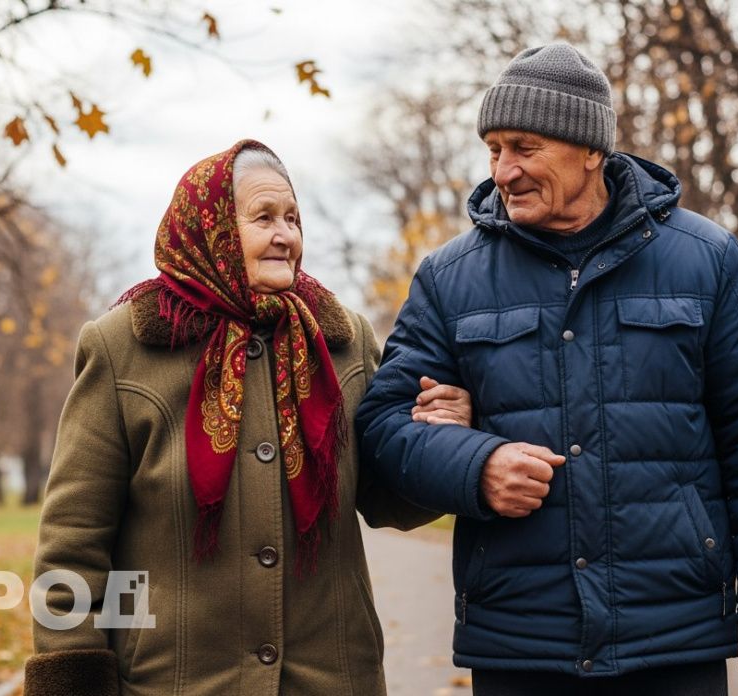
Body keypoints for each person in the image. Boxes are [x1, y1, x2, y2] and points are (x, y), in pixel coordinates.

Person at [356, 43, 738, 695]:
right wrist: (475, 464)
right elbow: (382, 429)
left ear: (591, 150)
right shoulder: (449, 278)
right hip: (521, 640)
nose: (504, 171)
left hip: (673, 635)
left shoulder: (706, 258)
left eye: (525, 147)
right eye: (494, 150)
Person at [25, 140, 473, 696]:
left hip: (332, 680)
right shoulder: (125, 347)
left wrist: (437, 442)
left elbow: (387, 500)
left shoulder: (343, 342)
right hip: (174, 683)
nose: (285, 235)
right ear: (207, 227)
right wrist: (74, 679)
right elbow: (74, 543)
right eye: (264, 218)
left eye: (292, 218)